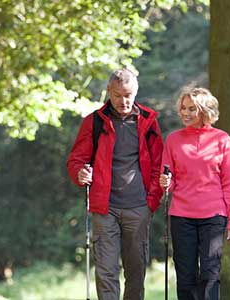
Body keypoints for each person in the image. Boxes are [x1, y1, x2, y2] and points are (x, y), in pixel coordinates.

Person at [67, 68, 163, 300]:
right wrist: (80, 173)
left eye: (128, 95)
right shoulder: (94, 122)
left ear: (136, 91)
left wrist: (150, 202)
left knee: (136, 271)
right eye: (118, 95)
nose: (124, 101)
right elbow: (76, 159)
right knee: (106, 271)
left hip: (138, 207)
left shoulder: (148, 122)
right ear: (109, 92)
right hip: (104, 208)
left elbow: (160, 164)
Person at [159, 87, 230, 300]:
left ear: (204, 111)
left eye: (191, 109)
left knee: (209, 274)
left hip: (213, 216)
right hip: (181, 216)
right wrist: (165, 182)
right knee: (185, 277)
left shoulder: (222, 139)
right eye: (183, 108)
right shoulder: (173, 140)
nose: (185, 113)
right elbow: (169, 180)